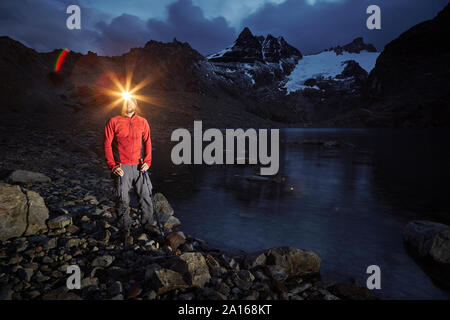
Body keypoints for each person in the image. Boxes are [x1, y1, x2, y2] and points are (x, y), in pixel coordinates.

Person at [103, 96, 159, 243]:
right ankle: (124, 229)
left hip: (140, 166)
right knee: (122, 198)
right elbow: (107, 144)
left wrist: (147, 162)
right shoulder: (113, 121)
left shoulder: (143, 122)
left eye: (131, 101)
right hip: (122, 167)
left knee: (146, 195)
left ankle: (147, 225)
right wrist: (113, 166)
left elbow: (147, 141)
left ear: (135, 104)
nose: (128, 104)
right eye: (125, 101)